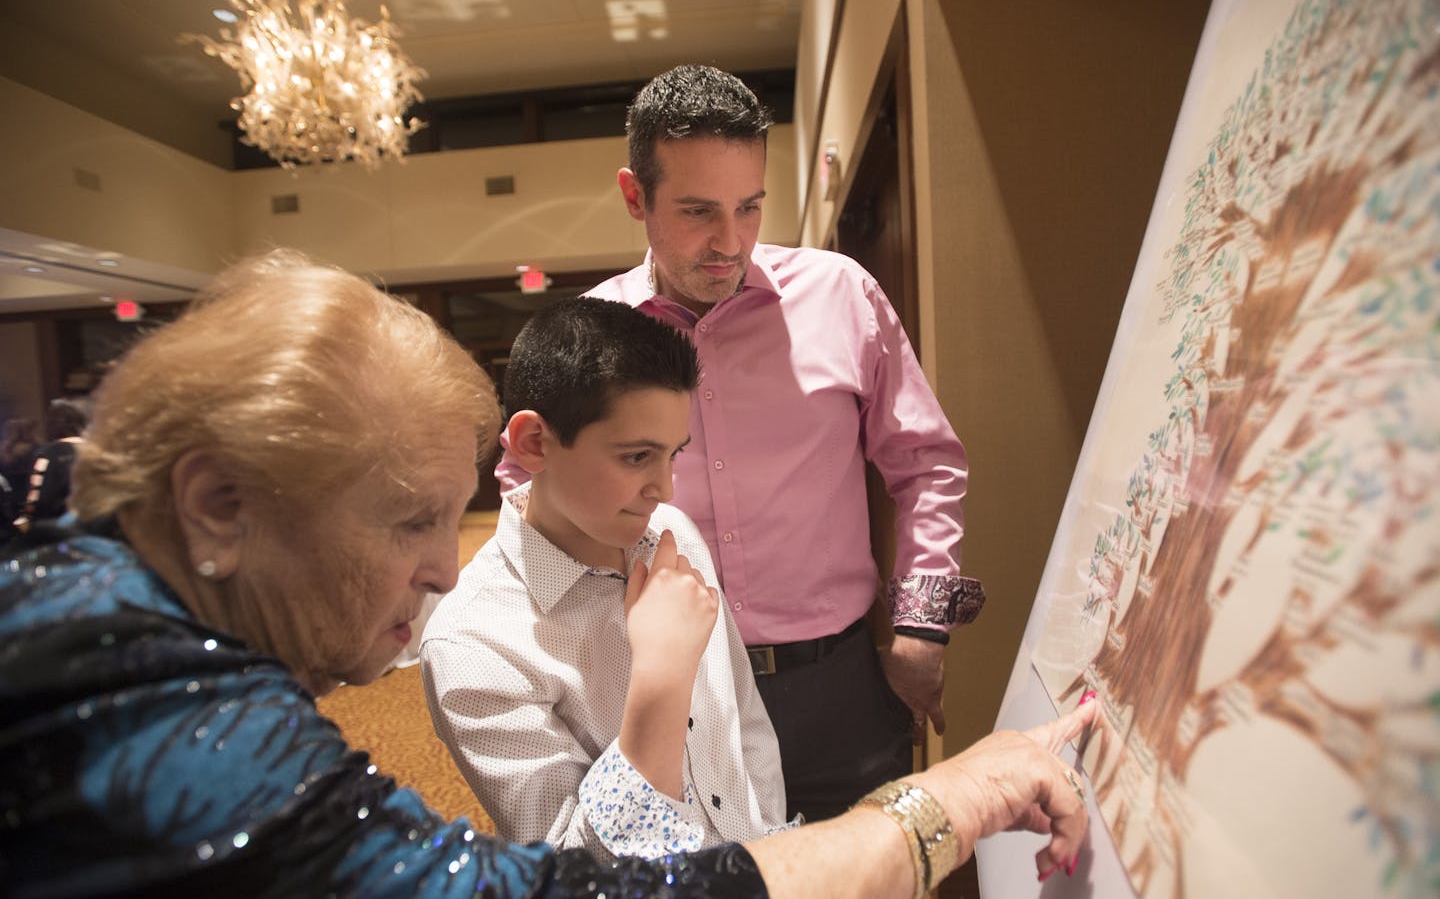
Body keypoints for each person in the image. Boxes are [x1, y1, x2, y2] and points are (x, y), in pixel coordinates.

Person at [0, 248, 1097, 898]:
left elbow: (746, 758)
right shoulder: (163, 718)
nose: (442, 566)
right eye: (409, 523)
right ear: (217, 506)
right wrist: (940, 798)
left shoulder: (71, 530)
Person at [496, 64, 980, 822]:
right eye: (696, 212)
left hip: (838, 690)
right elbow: (524, 500)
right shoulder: (588, 336)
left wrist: (922, 631)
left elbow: (926, 464)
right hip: (673, 694)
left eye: (749, 207)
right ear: (635, 196)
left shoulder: (841, 295)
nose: (731, 243)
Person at [422, 298, 792, 862]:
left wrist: (767, 850)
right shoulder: (472, 644)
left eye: (673, 455)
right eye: (637, 456)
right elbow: (576, 868)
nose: (664, 489)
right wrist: (661, 679)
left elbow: (744, 722)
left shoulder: (673, 532)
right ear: (532, 444)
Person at [14, 396, 90, 530]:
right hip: (95, 525)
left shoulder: (46, 454)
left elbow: (37, 497)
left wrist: (26, 518)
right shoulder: (96, 450)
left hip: (56, 529)